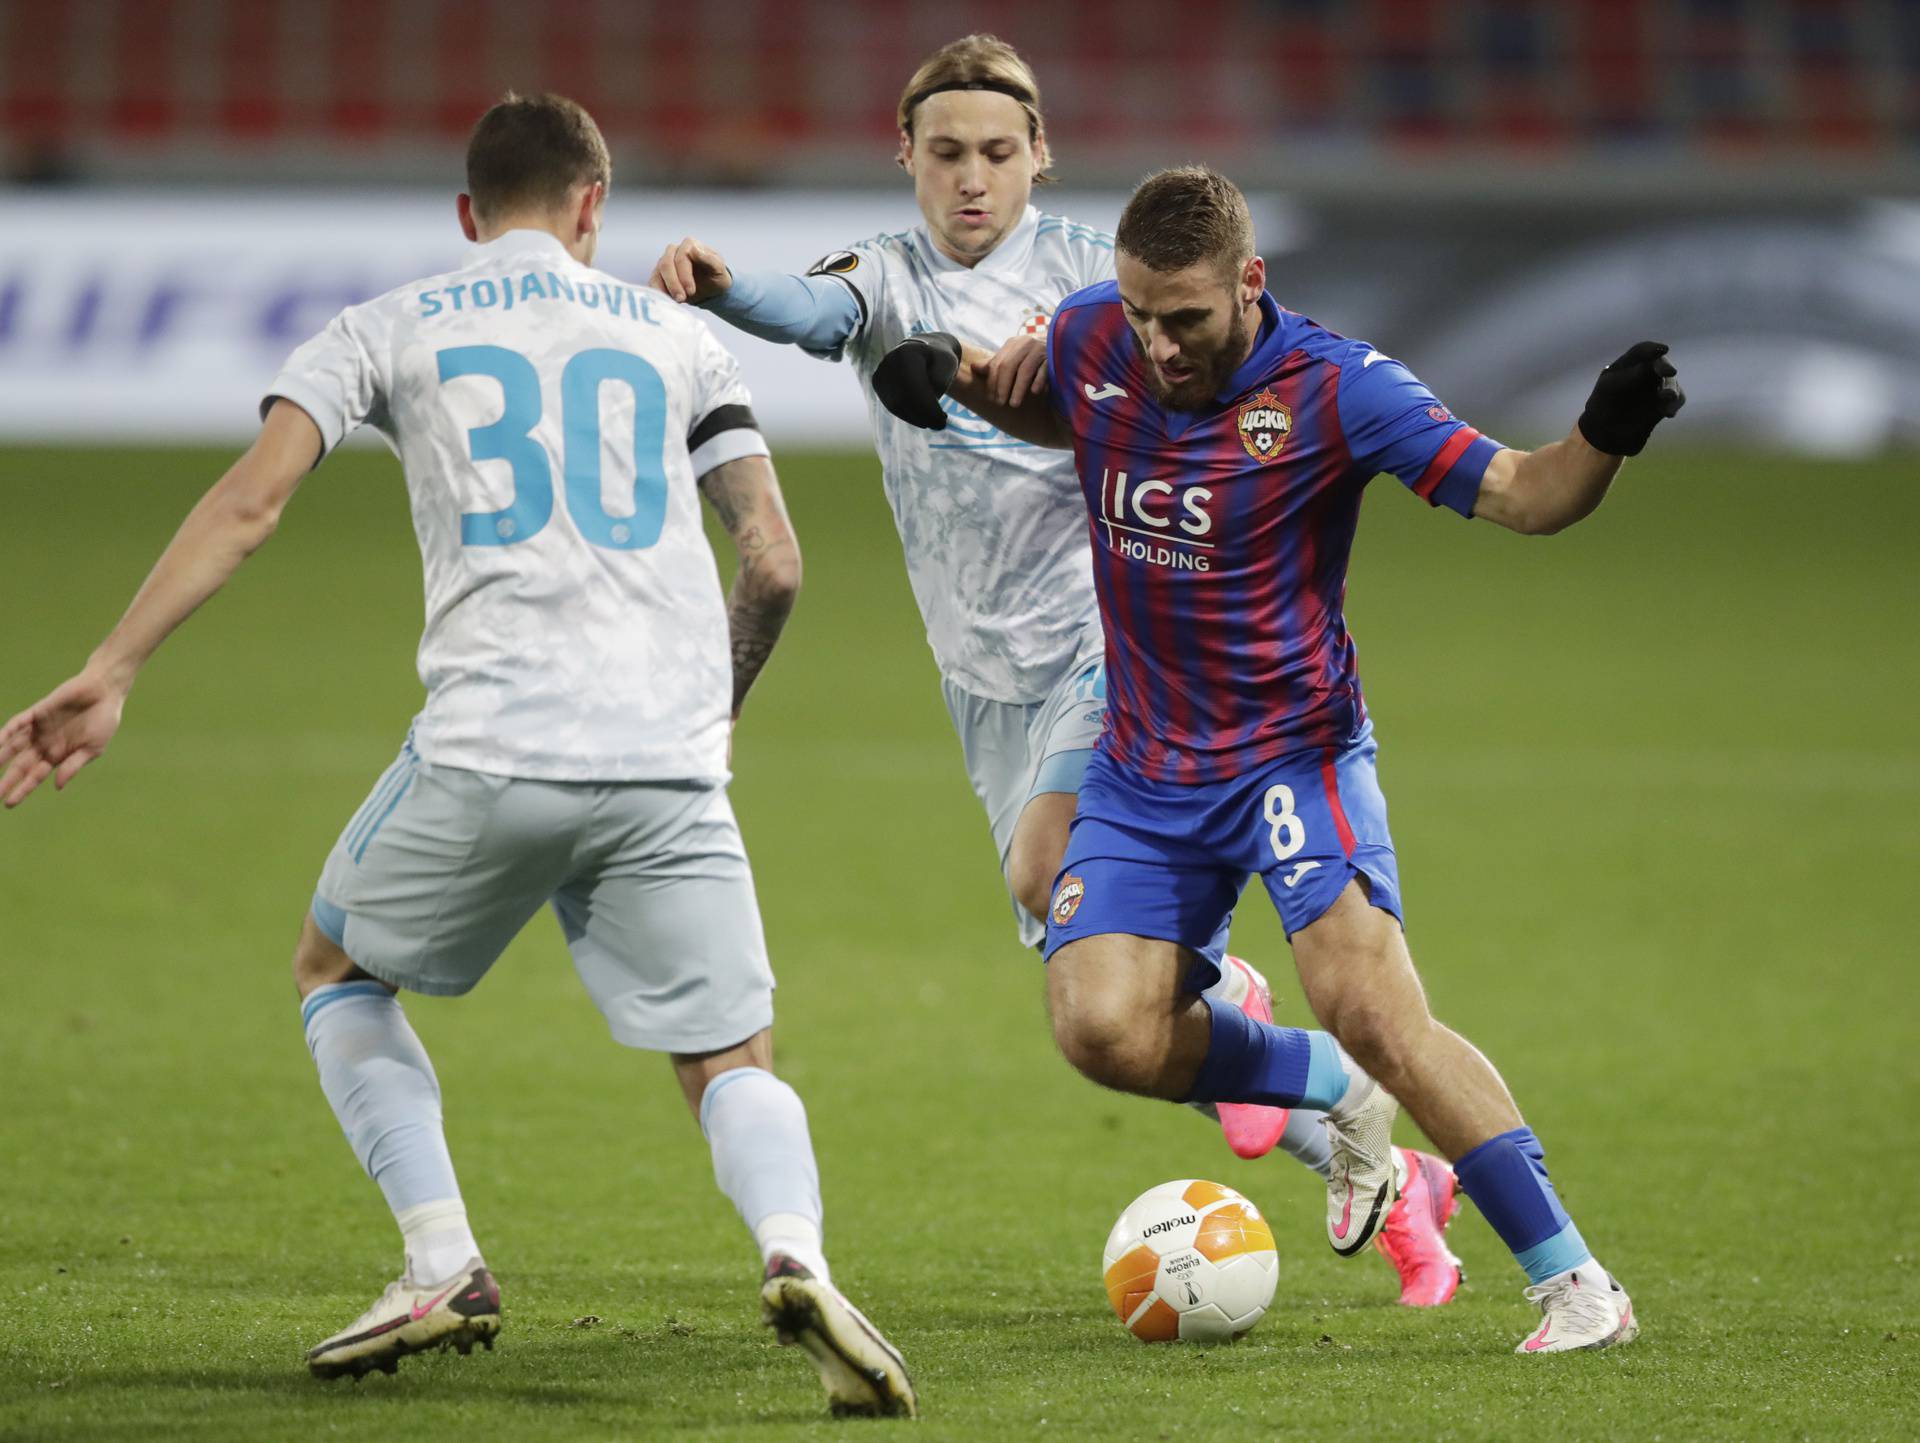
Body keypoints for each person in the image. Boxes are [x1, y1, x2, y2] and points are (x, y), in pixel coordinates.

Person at [0, 92, 917, 1415]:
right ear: (594, 205)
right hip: (667, 757)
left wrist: (115, 664)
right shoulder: (675, 334)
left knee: (336, 964)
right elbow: (773, 556)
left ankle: (441, 1258)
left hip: (493, 742)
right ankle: (799, 1255)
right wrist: (710, 713)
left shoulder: (389, 323)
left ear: (466, 213)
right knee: (730, 1054)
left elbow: (250, 503)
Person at [649, 33, 1463, 1306]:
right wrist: (721, 285)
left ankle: (1303, 1051)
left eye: (996, 153)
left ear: (1041, 157)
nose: (971, 180)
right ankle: (1355, 1130)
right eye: (945, 154)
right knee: (1101, 1001)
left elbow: (1207, 357)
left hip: (1117, 642)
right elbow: (810, 310)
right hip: (981, 673)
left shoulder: (1098, 281)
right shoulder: (884, 275)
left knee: (1050, 871)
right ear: (905, 159)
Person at [870, 164, 1685, 1353]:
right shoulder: (1103, 332)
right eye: (1141, 315)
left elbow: (1525, 494)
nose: (1159, 345)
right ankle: (1329, 1092)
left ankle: (1576, 1283)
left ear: (1251, 283)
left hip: (1291, 762)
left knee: (1375, 1009)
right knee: (1103, 1032)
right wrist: (949, 382)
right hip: (1146, 765)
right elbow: (1052, 407)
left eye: (1186, 319)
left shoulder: (1340, 389)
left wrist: (1604, 437)